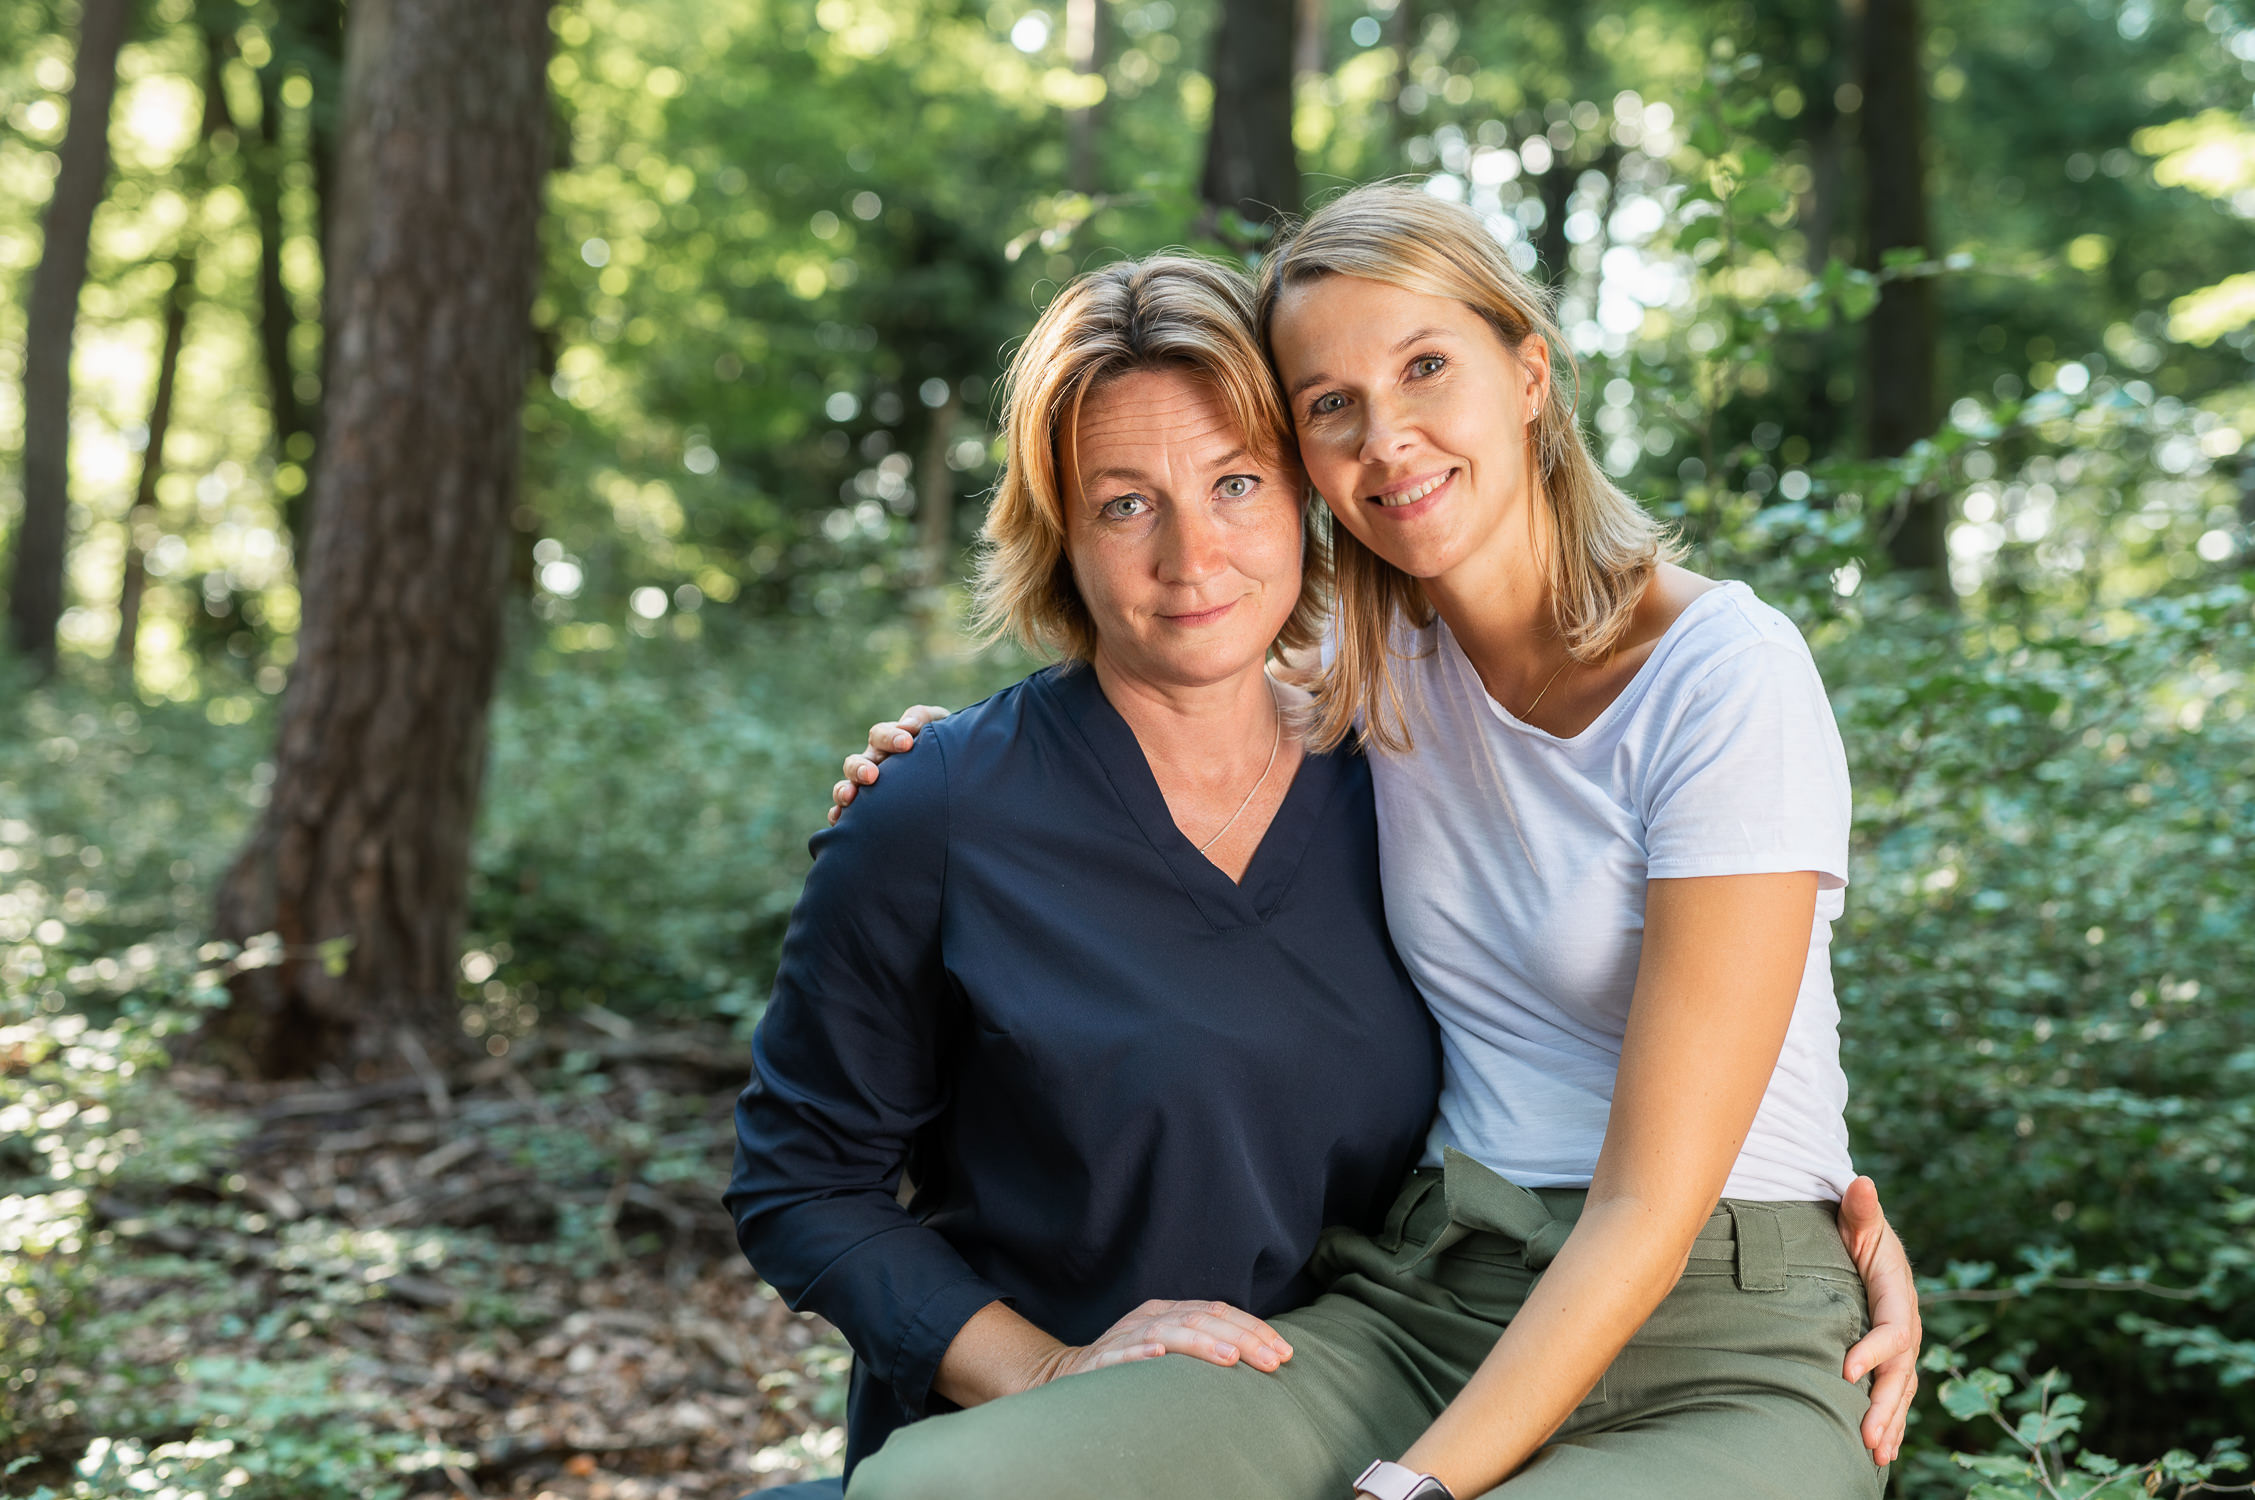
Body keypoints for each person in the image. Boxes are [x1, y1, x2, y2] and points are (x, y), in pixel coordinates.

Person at [830, 184, 1918, 1500]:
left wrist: (1406, 1490)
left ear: (1525, 371)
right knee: (926, 1493)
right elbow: (1164, 718)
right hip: (1422, 1301)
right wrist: (949, 772)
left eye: (1423, 368)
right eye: (1326, 403)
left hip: (1716, 1330)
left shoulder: (1719, 676)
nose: (1385, 437)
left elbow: (1645, 1206)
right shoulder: (1370, 662)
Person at [727, 254, 1446, 1490]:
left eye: (1234, 483)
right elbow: (800, 1184)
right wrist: (1046, 1371)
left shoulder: (1411, 781)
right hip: (1019, 1461)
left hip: (1346, 1446)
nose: (1191, 554)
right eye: (1125, 503)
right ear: (1058, 534)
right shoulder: (940, 810)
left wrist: (1808, 1254)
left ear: (1307, 498)